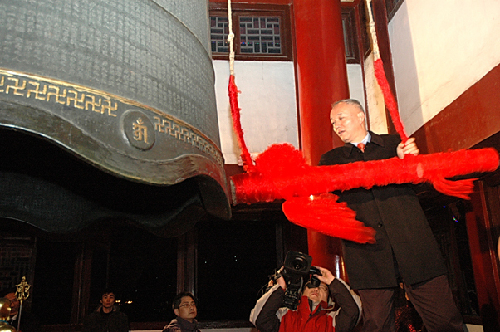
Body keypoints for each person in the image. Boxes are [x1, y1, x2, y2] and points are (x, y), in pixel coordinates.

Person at [319, 99, 464, 332]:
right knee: (376, 324)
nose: (336, 125)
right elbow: (323, 193)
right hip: (368, 254)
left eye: (341, 118)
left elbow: (420, 179)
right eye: (333, 122)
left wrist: (406, 160)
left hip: (413, 244)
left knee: (445, 320)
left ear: (360, 116)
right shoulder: (331, 160)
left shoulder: (394, 144)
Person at [249, 266, 361, 332]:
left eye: (322, 288)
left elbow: (353, 311)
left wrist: (332, 281)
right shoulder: (285, 316)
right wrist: (280, 288)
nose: (316, 289)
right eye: (310, 286)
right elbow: (259, 319)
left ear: (330, 300)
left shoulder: (332, 321)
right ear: (301, 293)